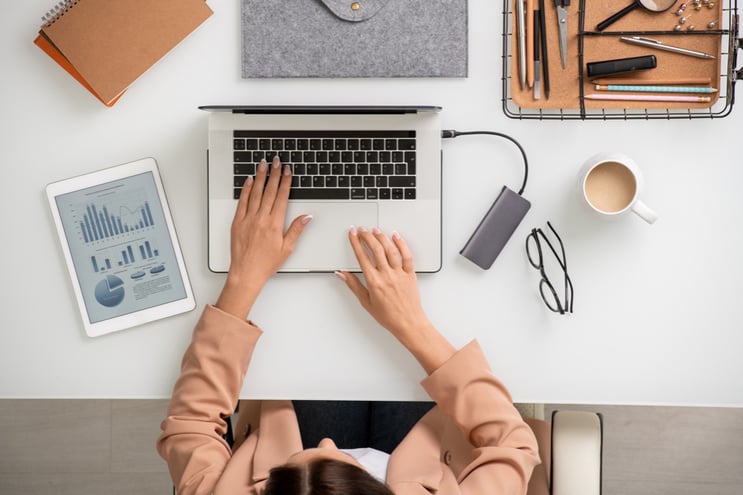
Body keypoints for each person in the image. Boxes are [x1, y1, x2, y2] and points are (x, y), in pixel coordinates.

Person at [157, 157, 541, 495]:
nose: (328, 443)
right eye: (338, 458)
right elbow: (513, 445)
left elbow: (191, 421)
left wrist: (243, 277)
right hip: (429, 449)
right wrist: (411, 324)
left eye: (297, 461)